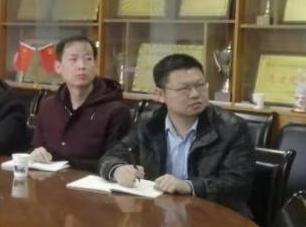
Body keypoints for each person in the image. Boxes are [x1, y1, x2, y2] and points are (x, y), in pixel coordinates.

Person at [98, 53, 254, 215]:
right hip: (158, 215)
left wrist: (189, 186)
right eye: (184, 89)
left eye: (200, 85)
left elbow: (239, 184)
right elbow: (111, 156)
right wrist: (117, 170)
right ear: (160, 95)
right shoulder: (148, 124)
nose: (195, 94)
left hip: (215, 217)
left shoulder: (231, 127)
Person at [29, 36, 131, 170]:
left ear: (95, 65)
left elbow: (114, 162)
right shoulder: (48, 106)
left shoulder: (116, 111)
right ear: (58, 67)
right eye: (73, 59)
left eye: (88, 59)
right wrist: (37, 154)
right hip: (48, 179)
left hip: (92, 181)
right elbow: (36, 147)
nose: (81, 66)